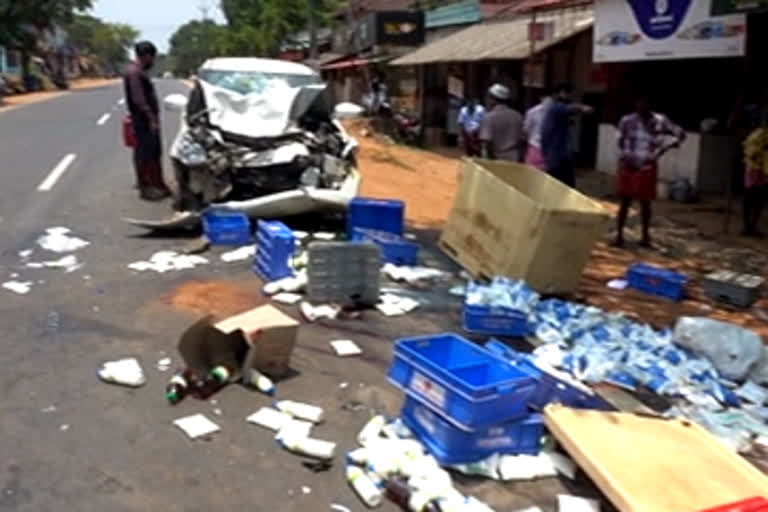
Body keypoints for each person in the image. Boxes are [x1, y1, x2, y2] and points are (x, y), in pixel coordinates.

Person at [615, 95, 685, 248]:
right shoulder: (626, 121)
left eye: (646, 102)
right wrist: (623, 158)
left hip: (647, 166)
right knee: (624, 202)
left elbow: (680, 134)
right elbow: (620, 141)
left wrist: (665, 147)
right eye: (640, 101)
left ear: (651, 104)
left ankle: (645, 237)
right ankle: (619, 236)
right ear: (636, 103)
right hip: (628, 165)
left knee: (645, 203)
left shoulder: (661, 121)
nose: (643, 105)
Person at [123, 41, 170, 201]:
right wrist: (151, 118)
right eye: (152, 58)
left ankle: (155, 183)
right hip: (143, 121)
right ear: (147, 56)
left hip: (143, 120)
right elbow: (138, 99)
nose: (153, 62)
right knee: (147, 154)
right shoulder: (135, 73)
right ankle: (147, 188)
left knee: (146, 153)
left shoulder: (136, 71)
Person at [540, 83, 592, 187]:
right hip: (558, 155)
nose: (571, 96)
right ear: (562, 93)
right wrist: (583, 107)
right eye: (569, 93)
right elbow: (574, 108)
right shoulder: (556, 107)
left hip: (554, 154)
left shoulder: (553, 109)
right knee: (564, 186)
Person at [479, 84, 524, 162]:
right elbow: (522, 140)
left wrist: (485, 162)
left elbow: (486, 144)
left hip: (497, 161)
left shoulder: (489, 117)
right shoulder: (518, 116)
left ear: (493, 99)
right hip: (516, 161)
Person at [742, 112, 768, 237]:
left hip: (763, 170)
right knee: (751, 197)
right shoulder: (757, 136)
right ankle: (747, 226)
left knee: (760, 199)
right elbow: (751, 153)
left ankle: (752, 225)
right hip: (754, 169)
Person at [523, 91, 551, 170]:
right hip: (535, 146)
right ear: (542, 98)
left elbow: (526, 129)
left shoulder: (555, 112)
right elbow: (526, 129)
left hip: (546, 148)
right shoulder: (533, 112)